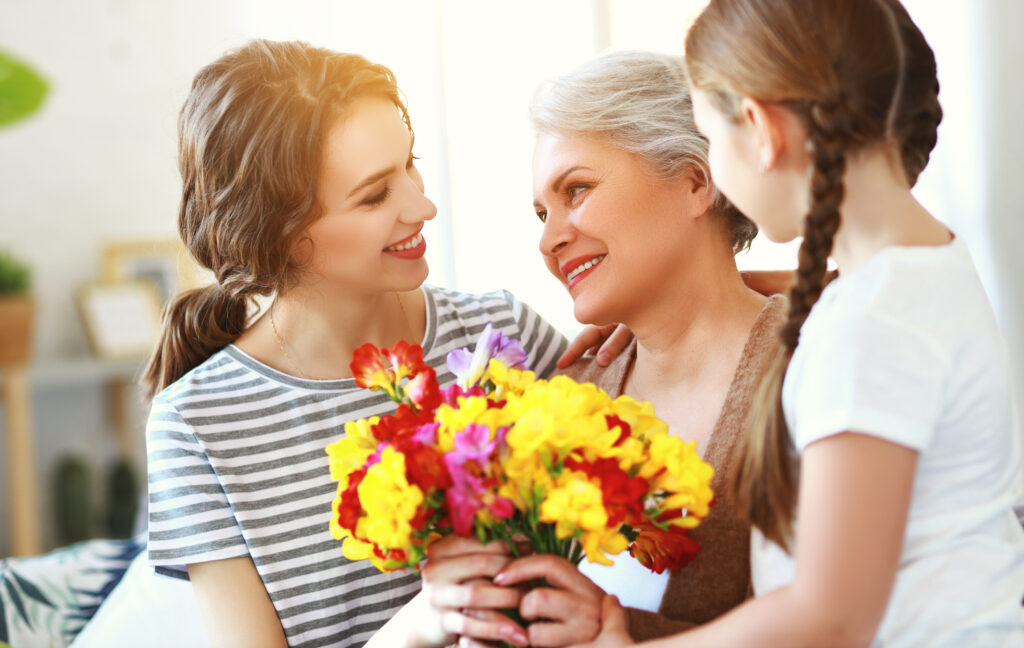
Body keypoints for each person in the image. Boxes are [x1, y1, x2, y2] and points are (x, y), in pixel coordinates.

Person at [141, 39, 622, 648]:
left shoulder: (500, 336)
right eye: (374, 196)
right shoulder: (196, 425)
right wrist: (425, 622)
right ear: (280, 233)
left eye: (410, 166)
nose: (423, 205)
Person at [574, 1, 1024, 646]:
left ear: (760, 129)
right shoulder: (925, 268)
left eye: (711, 136)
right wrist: (709, 296)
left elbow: (830, 617)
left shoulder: (871, 329)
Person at [367, 50, 789, 648]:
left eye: (578, 190)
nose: (548, 238)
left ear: (697, 181)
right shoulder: (574, 388)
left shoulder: (808, 364)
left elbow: (840, 621)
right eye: (542, 211)